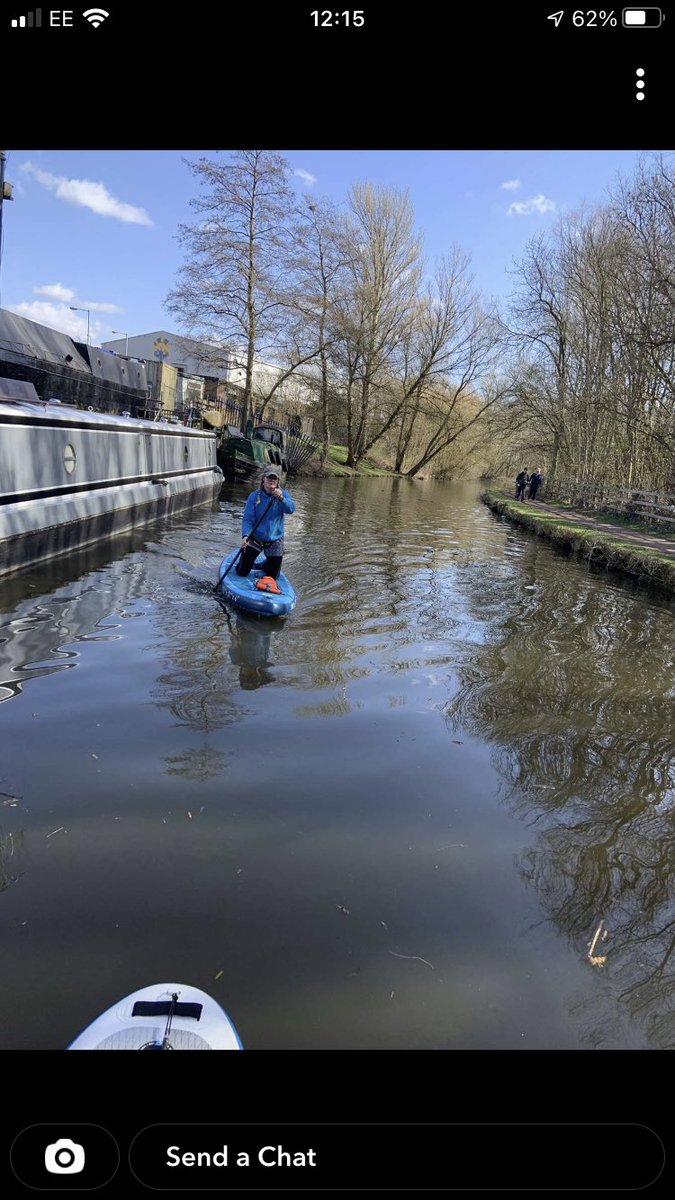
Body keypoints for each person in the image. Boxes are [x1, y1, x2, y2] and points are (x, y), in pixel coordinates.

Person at [236, 466, 296, 581]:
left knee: (273, 577)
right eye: (269, 477)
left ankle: (264, 565)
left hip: (275, 539)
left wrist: (281, 498)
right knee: (241, 572)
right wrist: (245, 536)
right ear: (263, 479)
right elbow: (248, 519)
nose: (271, 480)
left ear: (278, 481)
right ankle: (247, 561)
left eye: (275, 478)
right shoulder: (254, 496)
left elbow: (291, 509)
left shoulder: (283, 495)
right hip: (255, 538)